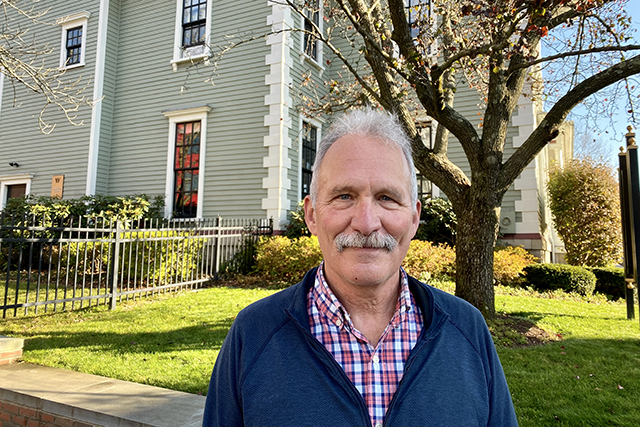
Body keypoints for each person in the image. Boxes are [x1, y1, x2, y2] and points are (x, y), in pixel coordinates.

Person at [202, 109, 519, 427]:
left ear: (413, 218)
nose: (366, 223)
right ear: (312, 215)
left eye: (387, 198)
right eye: (343, 196)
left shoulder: (467, 330)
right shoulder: (253, 334)